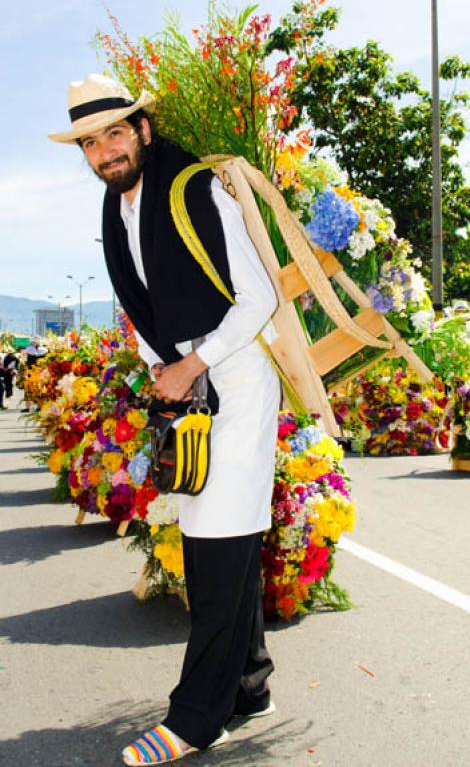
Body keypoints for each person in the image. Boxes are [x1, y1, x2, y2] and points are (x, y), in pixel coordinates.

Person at [49, 73, 281, 765]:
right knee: (223, 529)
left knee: (215, 542)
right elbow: (144, 300)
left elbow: (259, 298)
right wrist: (163, 365)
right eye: (90, 142)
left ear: (144, 130)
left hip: (236, 375)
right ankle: (248, 685)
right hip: (191, 381)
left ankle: (196, 718)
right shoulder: (117, 210)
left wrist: (192, 363)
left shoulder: (195, 189)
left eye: (115, 133)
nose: (104, 152)